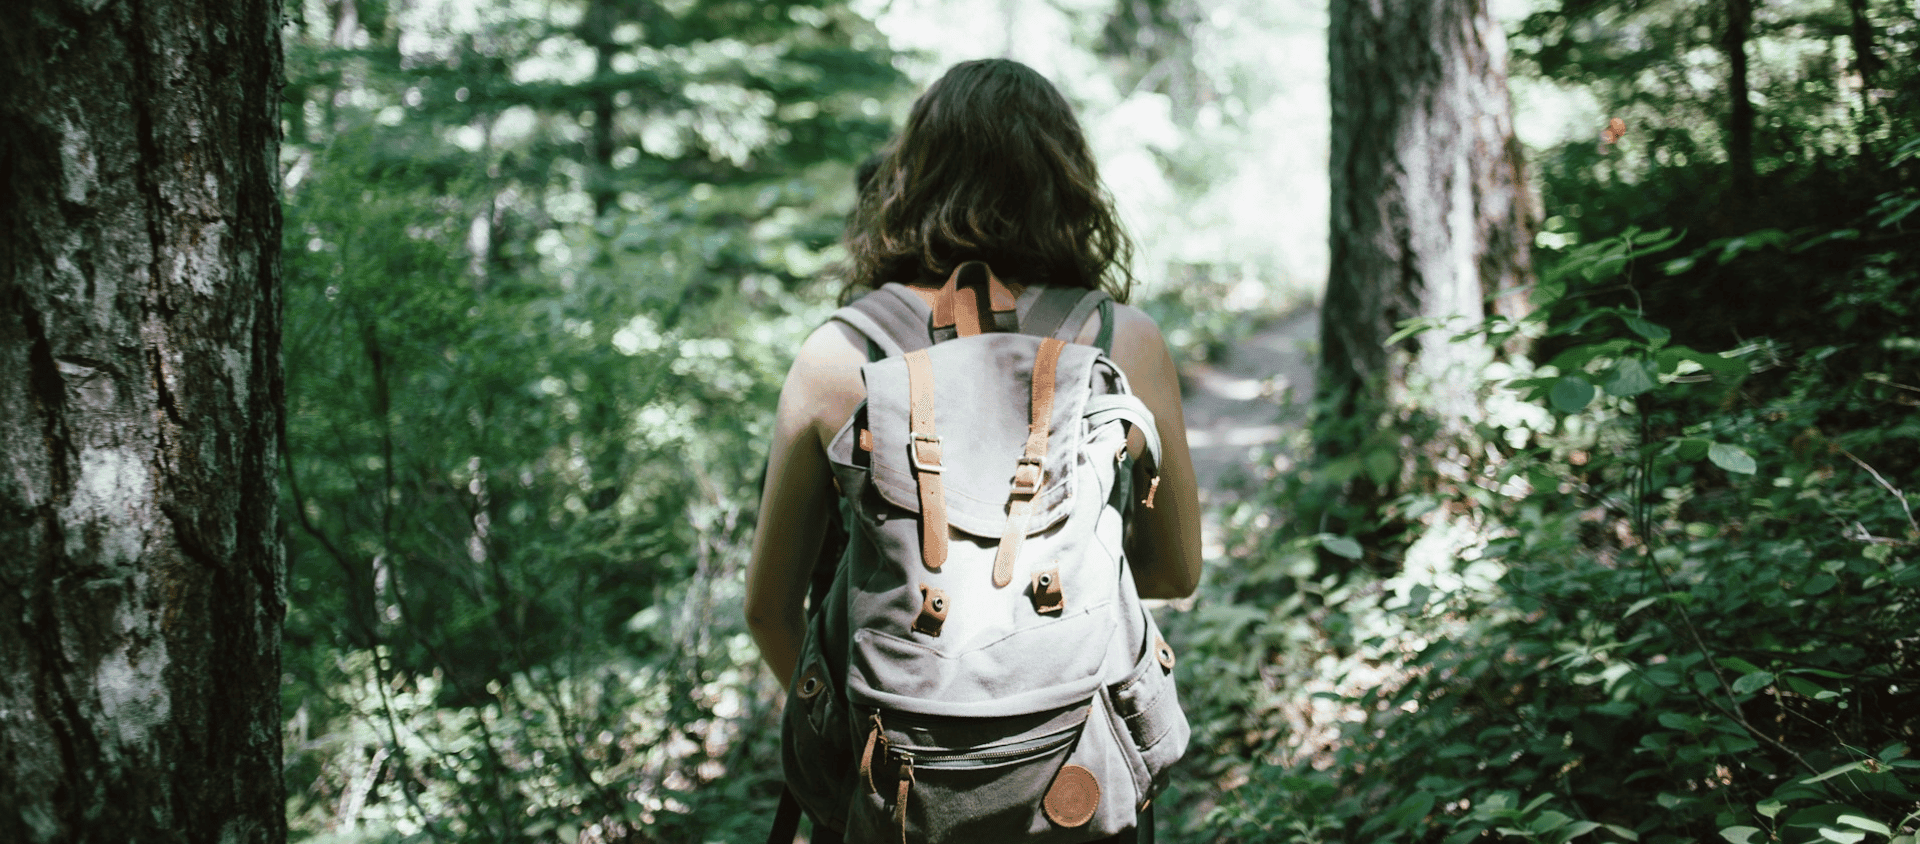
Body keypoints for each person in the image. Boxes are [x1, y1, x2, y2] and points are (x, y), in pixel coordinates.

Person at [745, 58, 1203, 842]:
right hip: (1077, 788)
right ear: (1065, 180)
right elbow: (1173, 571)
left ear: (911, 177)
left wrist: (874, 723)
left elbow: (768, 607)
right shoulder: (1123, 340)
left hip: (892, 791)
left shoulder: (837, 355)